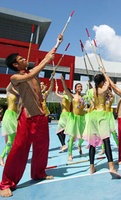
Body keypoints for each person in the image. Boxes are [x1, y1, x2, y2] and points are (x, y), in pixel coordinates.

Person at [0, 34, 62, 198]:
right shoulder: (15, 78)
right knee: (19, 150)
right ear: (15, 64)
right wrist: (46, 60)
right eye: (21, 59)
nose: (24, 60)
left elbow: (34, 72)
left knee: (42, 147)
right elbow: (31, 72)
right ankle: (6, 183)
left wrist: (57, 43)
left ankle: (38, 173)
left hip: (40, 115)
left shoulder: (32, 74)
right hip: (27, 117)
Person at [83, 71, 121, 178]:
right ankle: (112, 167)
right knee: (106, 140)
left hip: (92, 116)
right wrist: (105, 73)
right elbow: (108, 83)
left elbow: (88, 100)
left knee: (92, 143)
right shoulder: (103, 90)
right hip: (102, 115)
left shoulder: (91, 91)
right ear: (101, 82)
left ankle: (91, 167)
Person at [64, 82, 86, 161]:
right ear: (75, 88)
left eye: (81, 86)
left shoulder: (83, 98)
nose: (80, 87)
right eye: (78, 86)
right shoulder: (72, 96)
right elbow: (66, 90)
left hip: (82, 118)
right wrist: (63, 81)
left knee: (84, 136)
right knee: (72, 137)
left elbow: (84, 108)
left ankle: (79, 145)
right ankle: (70, 154)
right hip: (74, 118)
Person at [0, 83, 19, 166]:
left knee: (13, 140)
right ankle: (3, 157)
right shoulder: (9, 92)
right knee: (11, 139)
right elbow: (8, 87)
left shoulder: (19, 94)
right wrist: (13, 81)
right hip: (9, 115)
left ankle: (7, 157)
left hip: (15, 116)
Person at [55, 76, 72, 153]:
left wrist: (57, 88)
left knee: (58, 132)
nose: (63, 91)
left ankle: (64, 144)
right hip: (67, 115)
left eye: (64, 90)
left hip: (64, 115)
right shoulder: (67, 97)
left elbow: (56, 94)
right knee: (63, 131)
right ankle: (63, 144)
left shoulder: (66, 96)